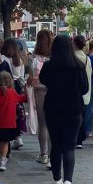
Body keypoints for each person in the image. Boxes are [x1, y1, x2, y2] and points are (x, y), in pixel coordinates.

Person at [39, 36, 88, 184]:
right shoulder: (78, 66)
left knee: (56, 145)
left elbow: (43, 80)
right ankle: (68, 181)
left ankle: (56, 180)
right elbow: (85, 88)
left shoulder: (48, 66)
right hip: (73, 110)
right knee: (69, 146)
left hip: (53, 109)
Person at [0, 71, 28, 171]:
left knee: (0, 141)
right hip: (9, 123)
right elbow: (23, 99)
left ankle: (3, 157)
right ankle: (2, 161)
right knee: (6, 142)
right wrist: (27, 90)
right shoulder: (12, 93)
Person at [29, 30, 53, 168]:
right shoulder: (54, 56)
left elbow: (31, 77)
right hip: (53, 91)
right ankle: (51, 156)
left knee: (42, 123)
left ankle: (43, 154)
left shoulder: (34, 57)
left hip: (39, 90)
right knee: (52, 123)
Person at [0, 39, 26, 150]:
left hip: (7, 86)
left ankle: (11, 137)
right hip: (18, 87)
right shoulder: (18, 60)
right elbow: (21, 76)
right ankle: (18, 136)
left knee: (8, 112)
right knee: (17, 112)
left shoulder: (2, 59)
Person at [73, 35, 92, 149]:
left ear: (74, 44)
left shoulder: (70, 57)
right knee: (81, 116)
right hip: (83, 93)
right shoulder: (86, 58)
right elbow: (88, 76)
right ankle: (79, 140)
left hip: (73, 93)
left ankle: (74, 138)